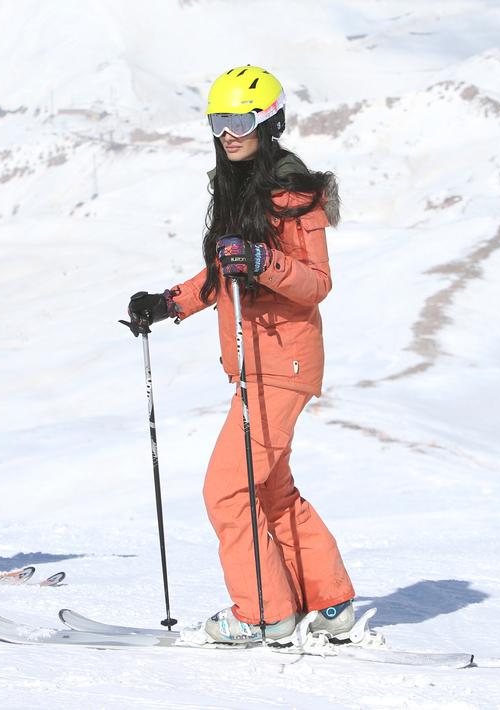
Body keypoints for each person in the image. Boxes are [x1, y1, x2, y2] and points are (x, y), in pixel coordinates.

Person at [123, 65, 355, 643]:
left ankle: (263, 614)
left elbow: (315, 282)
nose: (227, 132)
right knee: (272, 491)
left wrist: (260, 262)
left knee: (225, 490)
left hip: (284, 364)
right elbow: (221, 274)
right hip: (256, 367)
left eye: (240, 119)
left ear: (269, 121)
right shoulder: (236, 187)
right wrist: (168, 303)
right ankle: (328, 605)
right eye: (218, 120)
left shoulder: (292, 192)